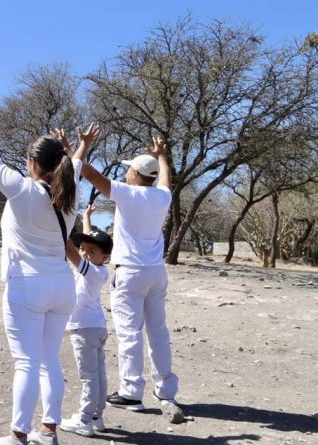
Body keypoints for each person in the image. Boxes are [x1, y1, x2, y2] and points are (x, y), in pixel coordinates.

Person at [0, 96, 99, 445]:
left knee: (26, 363)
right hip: (62, 287)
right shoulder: (69, 195)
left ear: (31, 163)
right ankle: (48, 431)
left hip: (27, 286)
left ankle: (17, 436)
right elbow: (73, 164)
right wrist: (83, 147)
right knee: (48, 361)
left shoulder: (20, 189)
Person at [78, 135, 184, 424]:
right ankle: (166, 390)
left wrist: (75, 150)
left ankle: (131, 391)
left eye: (129, 169)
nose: (126, 172)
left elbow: (89, 174)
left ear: (136, 174)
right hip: (155, 271)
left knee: (130, 332)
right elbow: (165, 178)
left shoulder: (127, 193)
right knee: (158, 331)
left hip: (130, 273)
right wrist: (162, 154)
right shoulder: (163, 196)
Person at [58, 204, 113, 438]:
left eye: (91, 252)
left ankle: (83, 420)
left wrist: (58, 228)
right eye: (83, 249)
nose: (84, 254)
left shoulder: (92, 271)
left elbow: (70, 252)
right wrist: (88, 218)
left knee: (89, 377)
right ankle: (96, 416)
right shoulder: (97, 268)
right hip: (96, 327)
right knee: (99, 375)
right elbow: (84, 246)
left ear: (105, 257)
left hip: (84, 329)